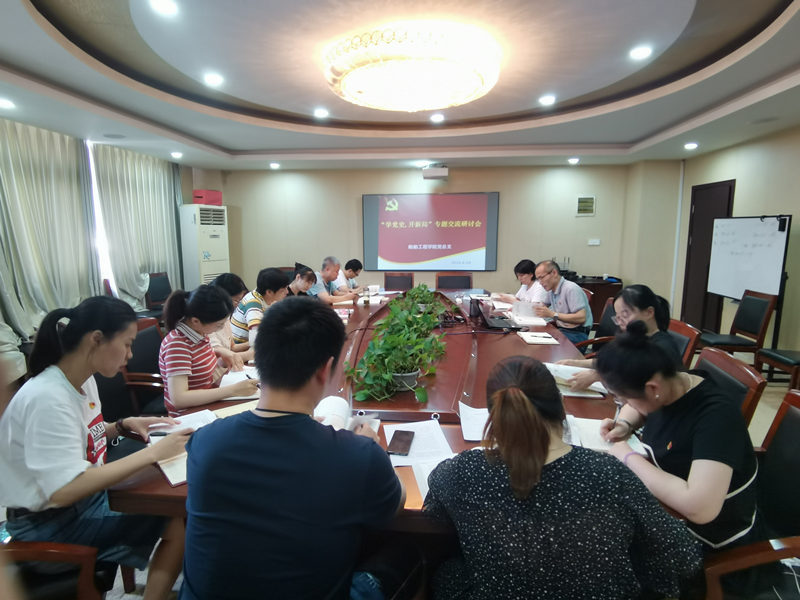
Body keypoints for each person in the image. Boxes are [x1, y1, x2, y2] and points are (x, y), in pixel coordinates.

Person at [422, 355, 701, 599]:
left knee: (445, 568)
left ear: (495, 416)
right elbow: (683, 557)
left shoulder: (464, 471)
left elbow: (433, 509)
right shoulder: (609, 474)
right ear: (561, 404)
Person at [180, 296, 404, 599]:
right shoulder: (359, 455)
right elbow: (395, 505)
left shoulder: (205, 441)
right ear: (326, 369)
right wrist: (374, 450)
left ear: (260, 358)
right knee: (406, 554)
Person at [0, 297, 192, 600]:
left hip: (79, 504)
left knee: (173, 514)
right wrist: (153, 453)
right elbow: (63, 490)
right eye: (127, 344)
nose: (130, 354)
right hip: (49, 524)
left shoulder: (81, 380)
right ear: (97, 339)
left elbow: (81, 435)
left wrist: (123, 425)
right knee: (173, 516)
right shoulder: (47, 398)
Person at [595, 321, 761, 551]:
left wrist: (627, 456)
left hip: (704, 539)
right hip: (665, 504)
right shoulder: (672, 383)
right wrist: (624, 423)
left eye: (625, 398)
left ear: (653, 389)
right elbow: (637, 406)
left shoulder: (716, 416)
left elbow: (700, 508)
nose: (625, 404)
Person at [559, 283, 682, 390]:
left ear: (649, 312)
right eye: (618, 317)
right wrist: (576, 363)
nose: (621, 322)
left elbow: (640, 374)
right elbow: (614, 362)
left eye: (625, 315)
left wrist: (597, 375)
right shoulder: (634, 338)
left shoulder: (662, 346)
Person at [159, 285, 259, 416]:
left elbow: (197, 365)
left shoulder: (199, 333)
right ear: (196, 321)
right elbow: (179, 399)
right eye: (219, 325)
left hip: (206, 404)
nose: (221, 328)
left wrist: (220, 354)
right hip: (189, 415)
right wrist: (233, 390)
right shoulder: (177, 345)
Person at [533, 260, 593, 343]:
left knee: (544, 346)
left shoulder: (571, 289)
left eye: (542, 277)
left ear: (554, 273)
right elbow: (543, 305)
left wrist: (552, 314)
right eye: (538, 279)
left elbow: (581, 318)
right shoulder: (551, 289)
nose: (540, 283)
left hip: (577, 333)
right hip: (562, 330)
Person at [230, 267, 289, 344]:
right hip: (241, 346)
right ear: (269, 292)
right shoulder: (253, 306)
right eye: (283, 290)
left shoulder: (259, 294)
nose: (287, 292)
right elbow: (254, 341)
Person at [209, 272, 253, 369]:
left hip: (227, 371)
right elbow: (221, 360)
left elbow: (232, 347)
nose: (238, 304)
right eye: (236, 300)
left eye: (240, 300)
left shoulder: (226, 316)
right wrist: (250, 354)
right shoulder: (209, 322)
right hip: (219, 373)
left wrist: (254, 342)